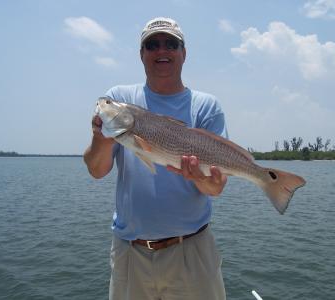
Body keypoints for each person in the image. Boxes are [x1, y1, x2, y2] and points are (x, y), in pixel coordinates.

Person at [84, 17, 228, 300]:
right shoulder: (120, 97)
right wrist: (101, 138)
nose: (162, 50)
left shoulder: (206, 106)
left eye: (171, 44)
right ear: (142, 55)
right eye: (152, 45)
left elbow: (215, 188)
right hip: (130, 250)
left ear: (183, 53)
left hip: (192, 249)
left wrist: (201, 180)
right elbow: (97, 170)